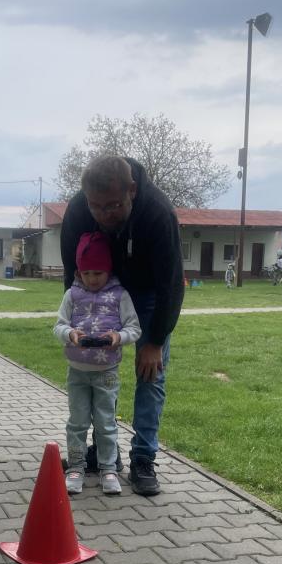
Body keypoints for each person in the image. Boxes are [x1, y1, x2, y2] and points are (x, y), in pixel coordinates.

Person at [60, 155, 184, 496]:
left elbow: (171, 284)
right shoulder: (78, 210)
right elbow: (72, 275)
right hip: (99, 292)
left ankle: (143, 458)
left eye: (113, 206)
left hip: (148, 294)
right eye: (96, 206)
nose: (103, 215)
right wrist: (76, 321)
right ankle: (104, 454)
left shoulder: (158, 212)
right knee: (99, 372)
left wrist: (154, 341)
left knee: (151, 374)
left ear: (131, 190)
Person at [54, 231, 141, 496]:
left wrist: (118, 337)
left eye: (98, 273)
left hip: (107, 373)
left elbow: (134, 328)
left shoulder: (120, 295)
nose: (92, 279)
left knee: (106, 423)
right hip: (77, 372)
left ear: (109, 270)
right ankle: (76, 467)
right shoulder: (72, 295)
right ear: (79, 272)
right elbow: (58, 326)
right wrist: (70, 334)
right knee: (77, 422)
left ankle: (108, 469)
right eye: (87, 273)